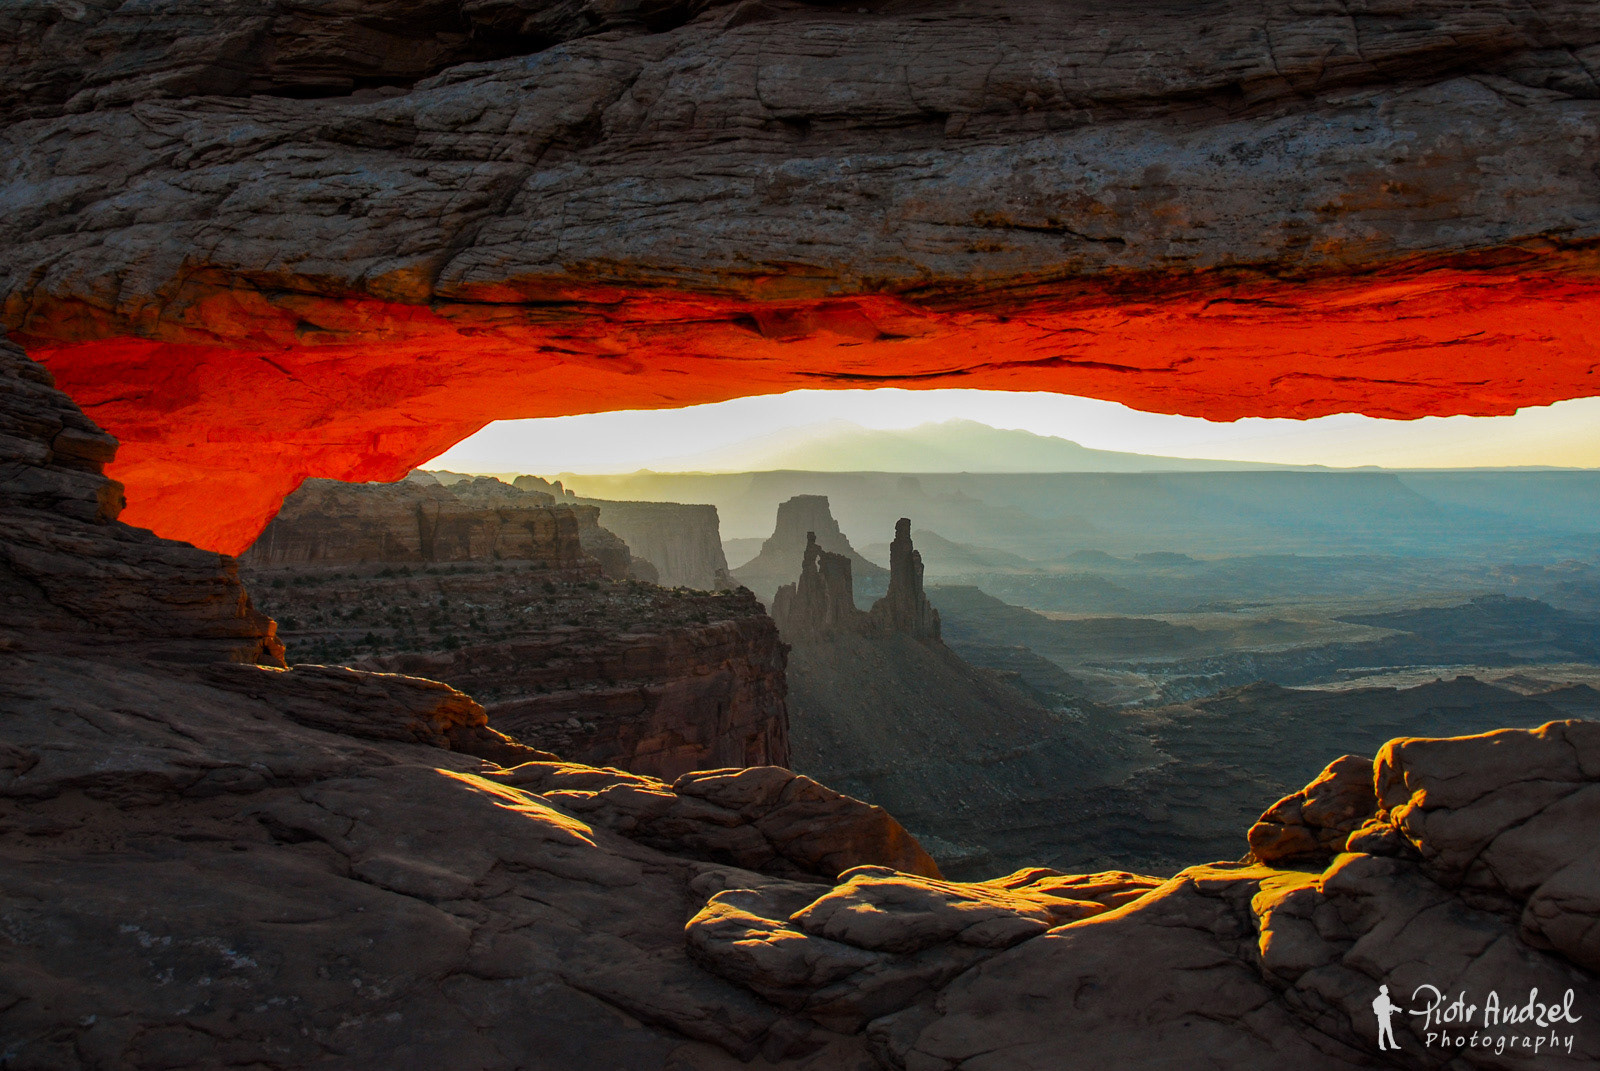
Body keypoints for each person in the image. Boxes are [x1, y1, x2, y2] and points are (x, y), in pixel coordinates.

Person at [1373, 985, 1400, 1050]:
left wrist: (1391, 1009)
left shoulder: (1387, 998)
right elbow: (1378, 1010)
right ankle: (1381, 1045)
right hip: (1382, 1017)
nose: (1387, 989)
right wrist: (1391, 1008)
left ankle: (1392, 1044)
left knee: (1389, 1030)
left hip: (1386, 1016)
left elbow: (1387, 1009)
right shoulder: (1379, 999)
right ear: (1383, 990)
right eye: (1386, 988)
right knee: (1382, 1030)